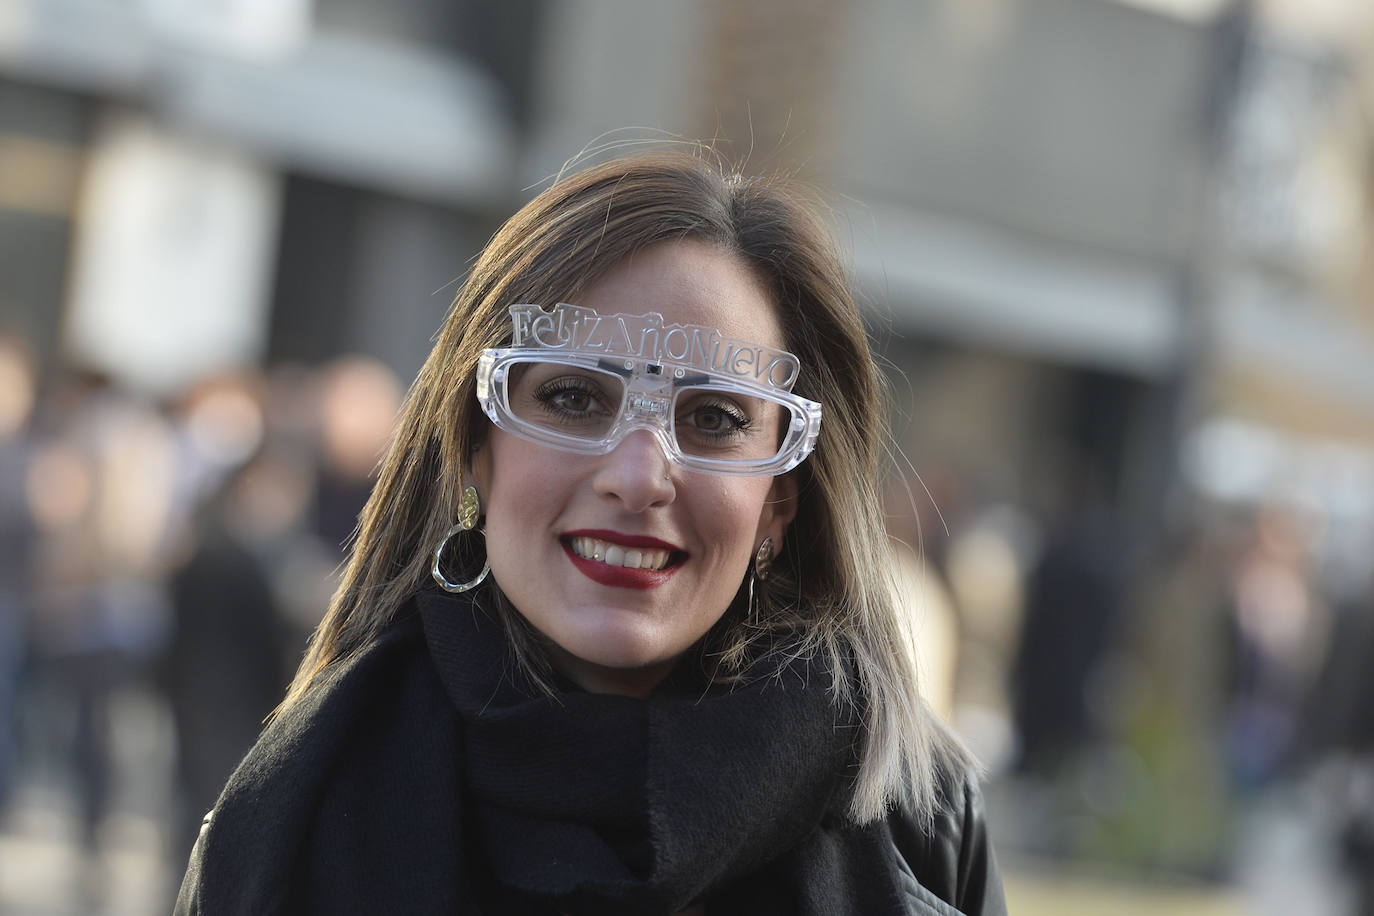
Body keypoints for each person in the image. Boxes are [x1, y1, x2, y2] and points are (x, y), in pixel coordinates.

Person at [175, 150, 1005, 915]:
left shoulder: (917, 814)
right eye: (574, 399)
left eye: (714, 418)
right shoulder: (293, 813)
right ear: (473, 448)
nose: (639, 477)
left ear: (780, 502)